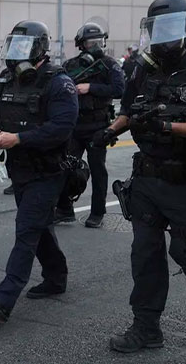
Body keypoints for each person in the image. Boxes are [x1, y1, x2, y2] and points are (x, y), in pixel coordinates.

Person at [95, 0, 186, 353]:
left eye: (170, 28)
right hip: (148, 178)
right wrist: (110, 131)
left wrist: (169, 126)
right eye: (157, 29)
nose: (163, 36)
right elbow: (129, 110)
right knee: (145, 255)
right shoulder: (143, 68)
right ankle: (146, 328)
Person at [0, 20, 78, 322]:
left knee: (27, 228)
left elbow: (61, 128)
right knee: (39, 226)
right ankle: (56, 278)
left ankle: (4, 297)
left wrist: (18, 138)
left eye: (23, 48)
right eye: (13, 47)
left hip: (48, 171)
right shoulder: (6, 80)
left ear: (40, 50)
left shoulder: (59, 82)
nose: (16, 54)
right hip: (19, 170)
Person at [54, 22, 125, 227]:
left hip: (98, 127)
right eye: (90, 42)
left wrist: (90, 87)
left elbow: (119, 89)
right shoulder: (71, 66)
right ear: (81, 45)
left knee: (98, 171)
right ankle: (64, 209)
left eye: (99, 42)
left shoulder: (109, 65)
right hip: (75, 126)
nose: (95, 46)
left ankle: (97, 213)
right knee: (65, 167)